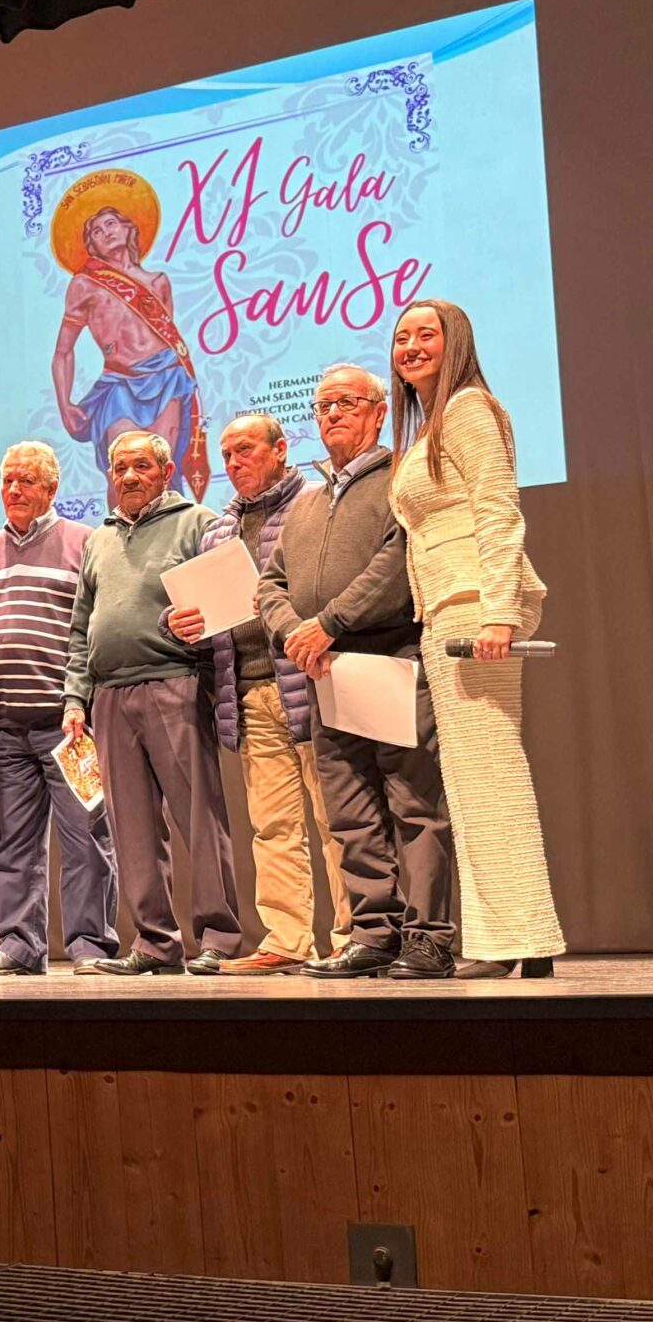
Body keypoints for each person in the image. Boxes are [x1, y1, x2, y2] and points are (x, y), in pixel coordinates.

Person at [386, 298, 564, 977]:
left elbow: (498, 510)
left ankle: (514, 939)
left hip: (472, 611)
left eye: (425, 334)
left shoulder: (467, 409)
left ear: (456, 340)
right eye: (402, 337)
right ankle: (524, 940)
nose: (411, 346)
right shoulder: (433, 420)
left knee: (490, 778)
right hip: (448, 610)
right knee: (475, 781)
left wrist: (499, 613)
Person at [260, 366, 456, 980]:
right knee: (350, 811)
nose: (332, 414)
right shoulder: (307, 503)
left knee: (414, 804)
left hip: (390, 657)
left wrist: (330, 623)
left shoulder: (401, 478)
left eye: (347, 402)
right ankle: (376, 932)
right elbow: (270, 583)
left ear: (377, 412)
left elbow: (398, 560)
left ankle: (429, 936)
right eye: (322, 405)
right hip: (326, 671)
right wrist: (296, 630)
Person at [169, 414, 350, 974]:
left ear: (279, 449)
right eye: (225, 454)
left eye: (244, 449)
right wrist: (177, 623)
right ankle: (287, 939)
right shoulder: (218, 529)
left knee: (335, 820)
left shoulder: (316, 504)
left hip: (313, 682)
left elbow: (333, 586)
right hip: (247, 691)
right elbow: (204, 609)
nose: (232, 462)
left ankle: (352, 938)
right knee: (272, 825)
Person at [63, 431, 241, 974]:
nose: (129, 477)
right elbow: (79, 629)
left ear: (166, 472)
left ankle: (218, 939)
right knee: (133, 828)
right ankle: (155, 944)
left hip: (175, 683)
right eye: (119, 468)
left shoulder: (198, 522)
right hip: (109, 696)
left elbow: (230, 603)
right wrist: (75, 698)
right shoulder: (99, 540)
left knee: (199, 818)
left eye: (141, 466)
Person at [0, 442, 118, 975]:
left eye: (26, 481)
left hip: (69, 726)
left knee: (87, 842)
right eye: (8, 480)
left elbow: (94, 633)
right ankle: (19, 945)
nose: (14, 490)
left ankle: (89, 946)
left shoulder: (86, 543)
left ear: (52, 489)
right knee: (9, 844)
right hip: (1, 727)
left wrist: (82, 703)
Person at [51, 187, 207, 502]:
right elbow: (63, 352)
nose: (105, 232)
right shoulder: (84, 285)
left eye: (110, 224)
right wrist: (65, 404)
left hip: (166, 379)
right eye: (96, 230)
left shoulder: (159, 282)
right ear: (91, 245)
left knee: (163, 473)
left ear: (128, 229)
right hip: (119, 384)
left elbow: (167, 340)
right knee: (122, 474)